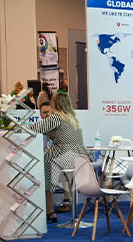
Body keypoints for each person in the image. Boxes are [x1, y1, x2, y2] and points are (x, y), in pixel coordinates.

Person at [32, 94, 91, 222]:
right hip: (81, 158)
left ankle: (49, 211)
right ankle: (64, 202)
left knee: (43, 169)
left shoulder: (56, 118)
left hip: (64, 155)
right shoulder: (73, 119)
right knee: (50, 167)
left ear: (55, 104)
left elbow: (34, 129)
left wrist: (14, 127)